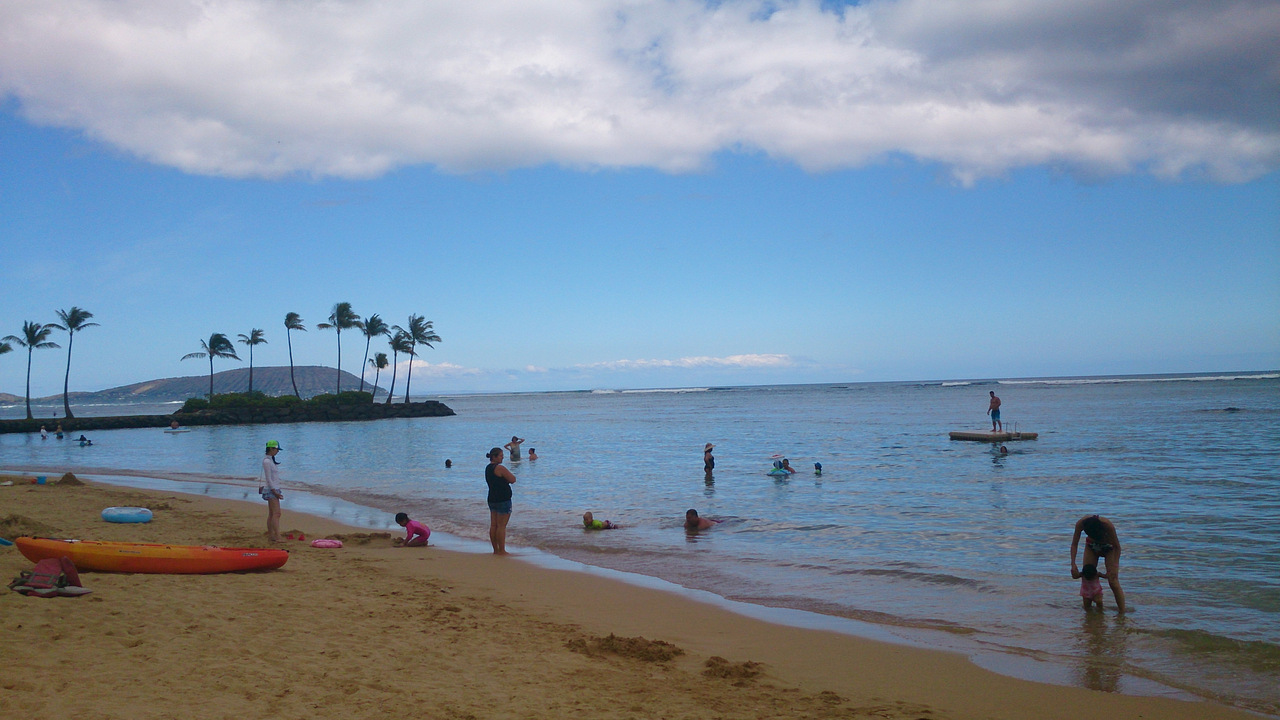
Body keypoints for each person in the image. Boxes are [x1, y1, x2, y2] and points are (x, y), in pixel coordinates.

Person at [1071, 514, 1126, 613]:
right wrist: (1073, 564)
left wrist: (1115, 566)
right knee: (1087, 576)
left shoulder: (1107, 525)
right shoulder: (1081, 524)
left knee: (1113, 580)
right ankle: (1089, 613)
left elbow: (1117, 547)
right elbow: (1074, 544)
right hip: (1091, 546)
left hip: (1109, 548)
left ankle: (1122, 613)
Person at [485, 447, 517, 555]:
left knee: (494, 525)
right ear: (494, 457)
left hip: (492, 498)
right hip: (502, 499)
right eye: (500, 456)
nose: (502, 457)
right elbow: (513, 479)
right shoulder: (500, 468)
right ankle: (502, 550)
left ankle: (496, 550)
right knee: (501, 526)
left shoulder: (488, 468)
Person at [261, 440, 284, 543]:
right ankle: (277, 536)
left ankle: (272, 536)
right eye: (276, 449)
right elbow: (268, 478)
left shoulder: (269, 461)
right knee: (276, 513)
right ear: (271, 448)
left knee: (272, 513)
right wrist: (275, 491)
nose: (277, 451)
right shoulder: (267, 461)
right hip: (271, 489)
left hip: (273, 489)